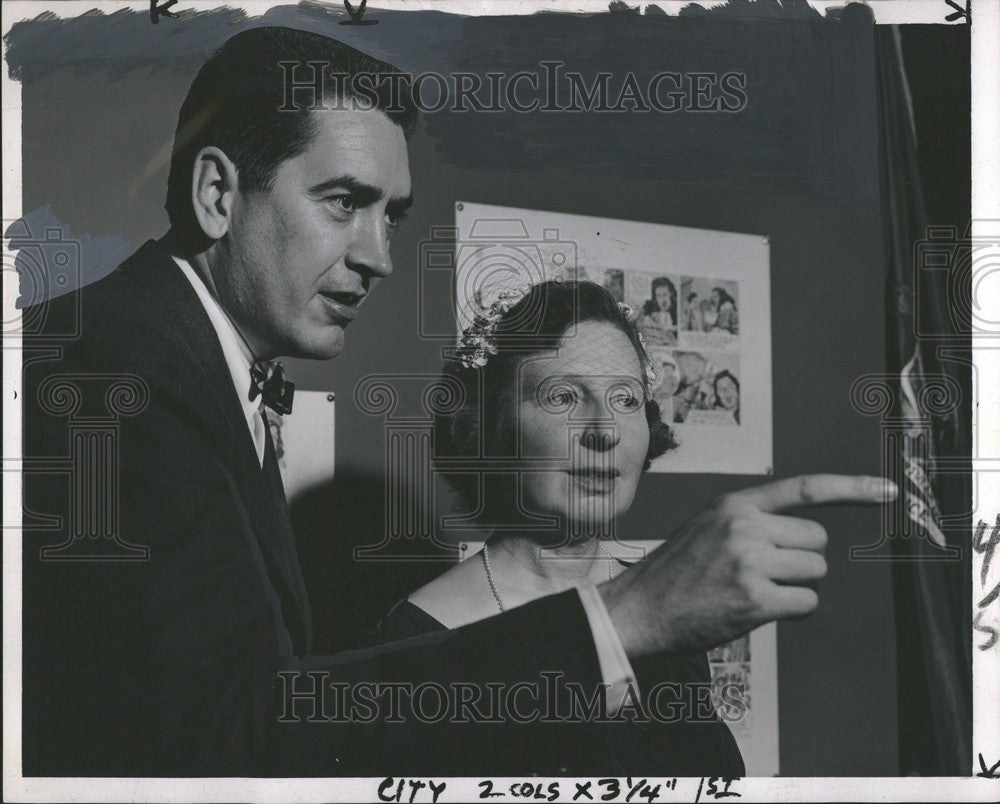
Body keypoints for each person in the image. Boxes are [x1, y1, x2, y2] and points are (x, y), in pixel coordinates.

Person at [21, 25, 897, 777]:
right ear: (219, 195)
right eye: (342, 202)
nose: (380, 258)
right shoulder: (114, 368)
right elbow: (238, 742)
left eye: (392, 215)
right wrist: (624, 619)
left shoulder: (163, 353)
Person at [367, 280, 744, 774]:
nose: (605, 430)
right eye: (565, 396)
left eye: (627, 399)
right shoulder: (417, 637)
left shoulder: (666, 600)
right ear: (490, 425)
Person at [638, 275, 678, 346]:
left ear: (671, 294)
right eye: (659, 296)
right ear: (655, 297)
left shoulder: (677, 309)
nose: (663, 299)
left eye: (665, 294)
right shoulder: (649, 311)